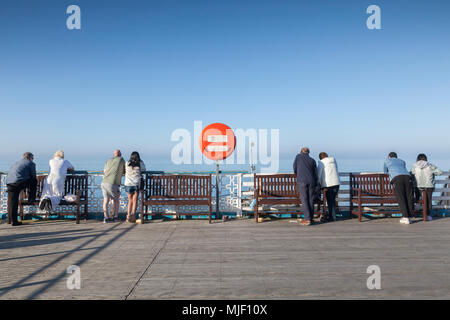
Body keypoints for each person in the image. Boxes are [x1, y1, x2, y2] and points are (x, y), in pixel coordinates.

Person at [6, 152, 37, 226]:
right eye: (32, 158)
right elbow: (33, 176)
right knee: (34, 181)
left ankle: (13, 220)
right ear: (30, 157)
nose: (33, 160)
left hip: (9, 183)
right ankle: (31, 199)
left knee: (12, 202)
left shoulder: (16, 162)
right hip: (18, 183)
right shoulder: (31, 163)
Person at [383, 152, 414, 224]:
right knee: (409, 197)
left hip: (397, 179)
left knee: (401, 198)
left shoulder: (387, 161)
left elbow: (385, 172)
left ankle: (405, 217)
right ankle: (409, 217)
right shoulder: (402, 161)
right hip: (408, 177)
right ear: (396, 157)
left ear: (389, 157)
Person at [411, 153, 443, 221]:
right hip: (429, 186)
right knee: (428, 200)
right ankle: (428, 215)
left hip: (418, 186)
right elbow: (440, 172)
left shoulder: (414, 166)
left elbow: (411, 173)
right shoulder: (430, 165)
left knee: (417, 197)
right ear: (425, 159)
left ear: (417, 159)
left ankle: (416, 210)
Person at [293, 147, 318, 226]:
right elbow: (315, 173)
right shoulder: (312, 160)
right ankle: (310, 218)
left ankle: (307, 219)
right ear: (308, 153)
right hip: (312, 181)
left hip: (302, 181)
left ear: (301, 152)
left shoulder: (298, 157)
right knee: (311, 199)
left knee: (304, 199)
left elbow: (295, 168)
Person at [101, 149, 125, 223]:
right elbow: (125, 169)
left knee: (106, 201)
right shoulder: (121, 159)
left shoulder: (108, 160)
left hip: (104, 182)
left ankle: (106, 218)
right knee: (116, 200)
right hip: (112, 183)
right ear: (120, 154)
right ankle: (115, 217)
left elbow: (104, 171)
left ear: (113, 154)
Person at [317, 152, 340, 222]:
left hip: (328, 184)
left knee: (330, 201)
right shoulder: (333, 160)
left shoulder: (321, 162)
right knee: (332, 200)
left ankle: (332, 217)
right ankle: (332, 215)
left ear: (320, 158)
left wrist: (318, 183)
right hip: (336, 183)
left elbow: (319, 174)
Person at [124, 151, 146, 223]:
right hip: (136, 184)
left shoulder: (127, 163)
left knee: (130, 200)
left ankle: (128, 216)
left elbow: (124, 171)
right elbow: (144, 170)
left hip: (128, 184)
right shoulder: (140, 163)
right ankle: (133, 216)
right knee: (135, 201)